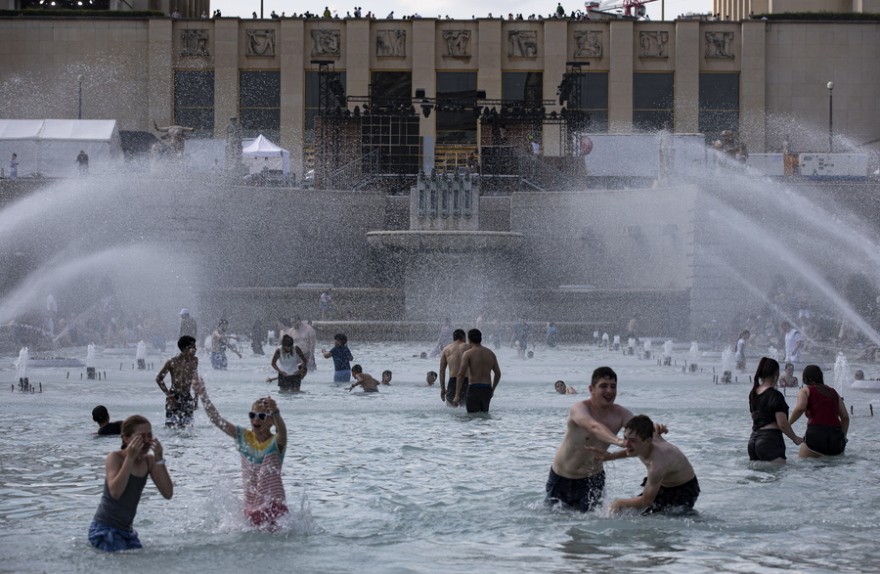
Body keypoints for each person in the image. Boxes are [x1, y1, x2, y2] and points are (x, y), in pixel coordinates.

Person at [193, 379, 289, 530]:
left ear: (271, 421)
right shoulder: (244, 437)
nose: (256, 419)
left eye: (262, 416)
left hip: (274, 508)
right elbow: (216, 420)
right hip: (251, 509)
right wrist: (203, 395)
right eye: (252, 415)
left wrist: (276, 413)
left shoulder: (276, 443)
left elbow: (283, 432)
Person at [546, 367, 634, 512]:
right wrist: (618, 441)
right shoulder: (579, 408)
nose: (609, 391)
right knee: (552, 520)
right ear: (591, 389)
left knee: (591, 522)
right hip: (561, 478)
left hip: (593, 480)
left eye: (613, 386)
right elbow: (593, 427)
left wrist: (653, 429)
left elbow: (642, 433)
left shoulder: (621, 413)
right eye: (603, 386)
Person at [88, 415, 173, 551]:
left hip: (128, 532)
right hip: (105, 529)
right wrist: (130, 459)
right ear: (126, 439)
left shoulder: (149, 461)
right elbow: (115, 492)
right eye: (141, 437)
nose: (147, 441)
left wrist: (159, 460)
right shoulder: (115, 457)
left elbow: (168, 493)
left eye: (149, 436)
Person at [602, 415, 700, 515]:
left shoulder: (656, 466)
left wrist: (618, 503)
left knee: (655, 517)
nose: (626, 444)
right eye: (625, 438)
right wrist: (611, 456)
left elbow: (646, 501)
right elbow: (631, 450)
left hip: (684, 490)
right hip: (662, 483)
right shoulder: (645, 439)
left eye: (632, 440)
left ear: (648, 441)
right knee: (633, 512)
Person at [748, 357, 803, 463]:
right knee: (779, 473)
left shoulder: (754, 393)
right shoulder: (776, 395)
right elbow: (782, 424)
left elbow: (754, 417)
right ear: (777, 373)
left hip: (753, 441)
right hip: (770, 440)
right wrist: (795, 438)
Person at [788, 365, 849, 458]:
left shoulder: (805, 391)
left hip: (817, 433)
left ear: (805, 377)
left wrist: (787, 423)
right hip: (836, 435)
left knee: (804, 464)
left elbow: (800, 408)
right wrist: (843, 437)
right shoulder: (833, 392)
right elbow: (845, 417)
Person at [155, 335, 199, 427]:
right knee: (171, 427)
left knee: (188, 428)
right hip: (174, 397)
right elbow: (159, 378)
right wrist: (169, 395)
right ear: (185, 348)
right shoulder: (172, 362)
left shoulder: (194, 361)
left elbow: (196, 380)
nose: (196, 350)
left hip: (187, 397)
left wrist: (196, 399)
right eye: (193, 347)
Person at [453, 329, 500, 413]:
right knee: (484, 415)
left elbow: (461, 375)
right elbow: (498, 374)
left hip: (474, 388)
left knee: (472, 416)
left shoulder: (468, 354)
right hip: (487, 389)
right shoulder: (490, 353)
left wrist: (457, 395)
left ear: (469, 340)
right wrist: (492, 389)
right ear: (481, 339)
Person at [439, 328, 469, 406]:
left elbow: (442, 370)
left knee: (451, 408)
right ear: (463, 337)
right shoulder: (469, 347)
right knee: (466, 408)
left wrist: (442, 388)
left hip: (453, 381)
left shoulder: (446, 349)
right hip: (466, 380)